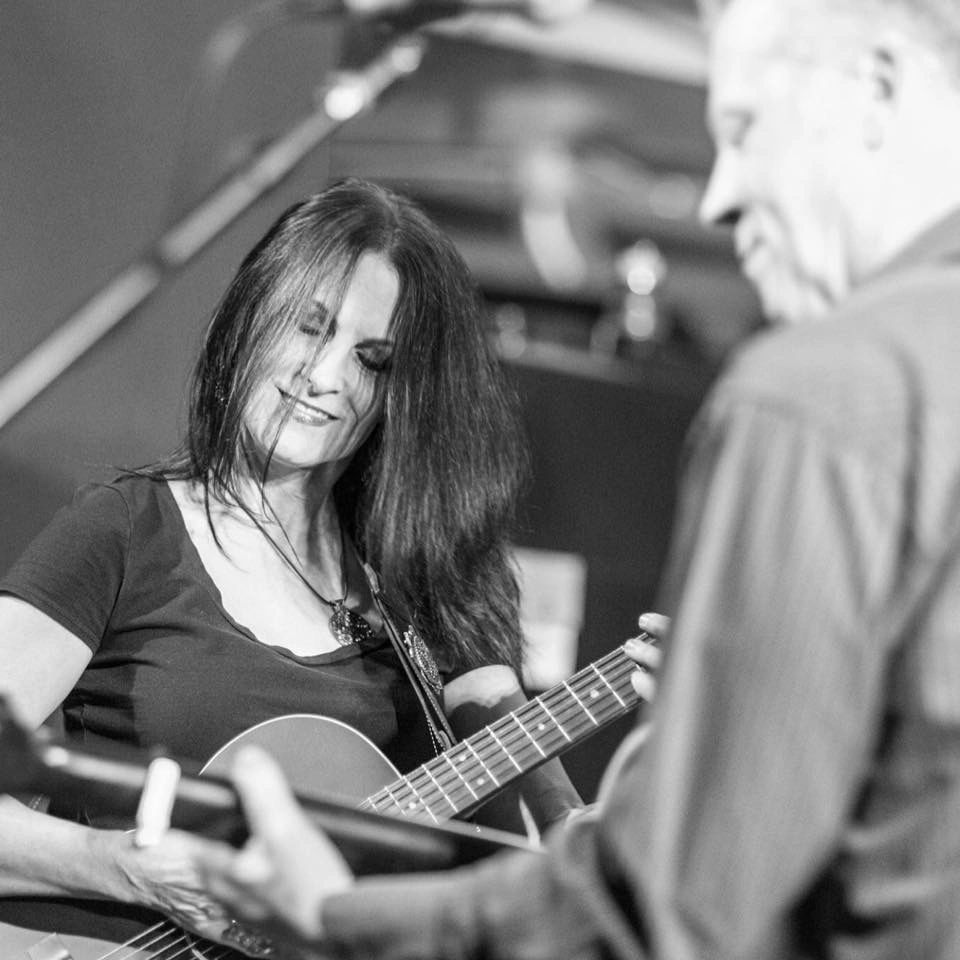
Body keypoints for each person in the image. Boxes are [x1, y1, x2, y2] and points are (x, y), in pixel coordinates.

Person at [189, 1, 960, 957]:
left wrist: (338, 919)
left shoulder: (824, 394)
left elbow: (676, 914)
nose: (717, 197)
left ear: (877, 89)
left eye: (744, 130)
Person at [0, 178, 663, 949]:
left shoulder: (423, 583)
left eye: (373, 361)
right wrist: (126, 867)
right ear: (249, 319)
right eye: (309, 329)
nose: (329, 380)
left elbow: (551, 840)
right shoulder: (124, 529)